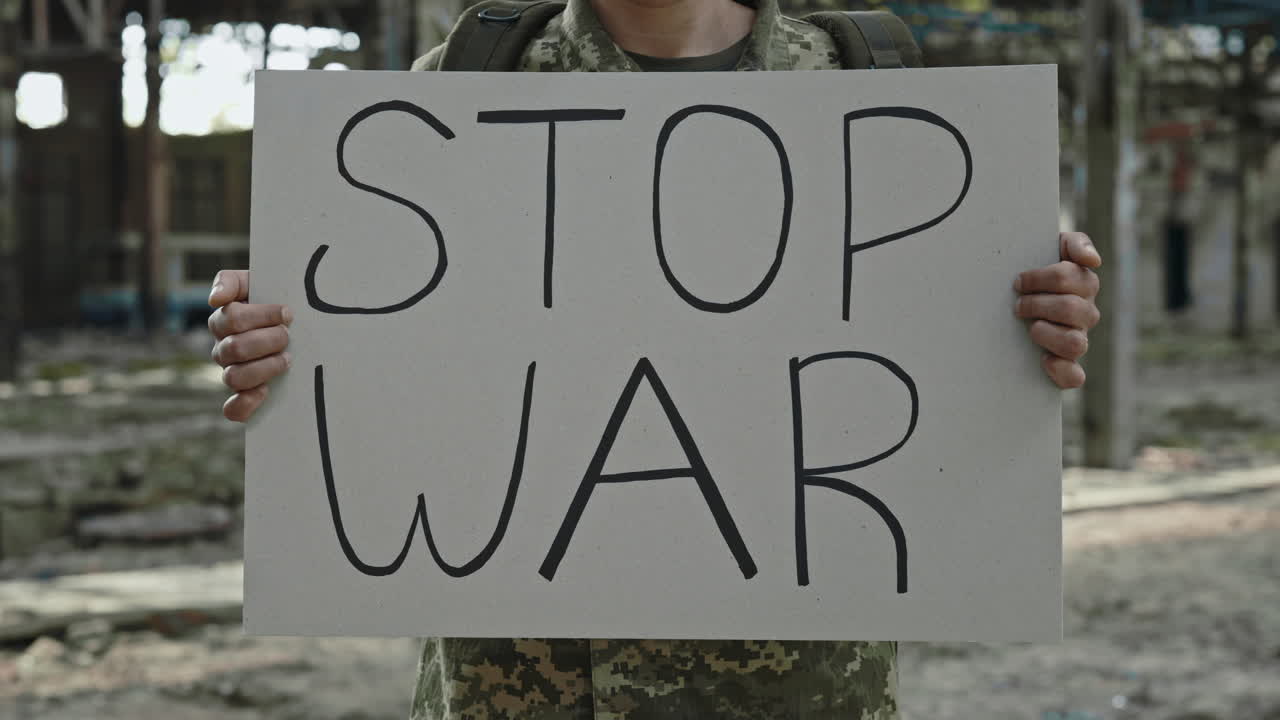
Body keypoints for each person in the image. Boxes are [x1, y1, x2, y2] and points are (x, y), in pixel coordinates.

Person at [207, 0, 1102, 717]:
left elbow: (929, 394)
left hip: (795, 693)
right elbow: (379, 371)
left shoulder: (868, 94)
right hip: (515, 692)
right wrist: (281, 346)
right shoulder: (458, 91)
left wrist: (1035, 333)